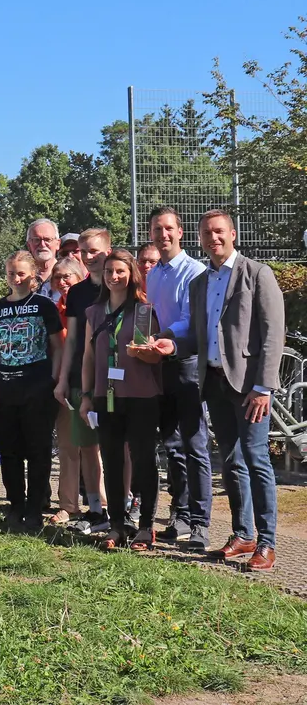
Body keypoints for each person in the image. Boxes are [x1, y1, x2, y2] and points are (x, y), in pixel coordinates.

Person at [153, 209, 284, 571]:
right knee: (230, 461)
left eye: (220, 232)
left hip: (250, 387)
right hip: (213, 383)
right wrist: (173, 347)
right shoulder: (200, 283)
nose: (214, 238)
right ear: (199, 239)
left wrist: (263, 387)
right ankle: (243, 535)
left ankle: (267, 542)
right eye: (207, 233)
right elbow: (197, 337)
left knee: (256, 459)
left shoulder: (257, 274)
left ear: (233, 234)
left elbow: (273, 335)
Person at [79, 250, 164, 551]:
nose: (114, 277)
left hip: (140, 395)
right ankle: (117, 525)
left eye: (120, 271)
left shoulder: (142, 310)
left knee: (142, 461)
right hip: (108, 396)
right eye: (109, 272)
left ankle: (145, 526)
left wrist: (143, 352)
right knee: (112, 460)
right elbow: (89, 357)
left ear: (131, 274)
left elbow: (154, 356)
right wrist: (87, 395)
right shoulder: (94, 312)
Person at [144, 206, 211, 549]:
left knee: (195, 445)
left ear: (180, 232)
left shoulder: (194, 272)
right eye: (157, 229)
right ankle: (180, 513)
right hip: (159, 365)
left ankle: (200, 523)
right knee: (171, 445)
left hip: (186, 364)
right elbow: (148, 316)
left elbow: (190, 319)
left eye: (168, 228)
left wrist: (164, 336)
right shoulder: (153, 274)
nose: (163, 234)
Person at [0, 251, 63, 530]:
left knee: (38, 450)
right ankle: (15, 506)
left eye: (21, 273)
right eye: (11, 273)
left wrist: (54, 378)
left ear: (33, 275)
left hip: (38, 387)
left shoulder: (44, 305)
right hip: (5, 387)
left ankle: (34, 509)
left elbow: (58, 344)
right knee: (9, 450)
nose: (16, 278)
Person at [53, 229, 111, 535]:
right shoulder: (76, 293)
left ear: (108, 249)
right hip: (80, 381)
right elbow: (72, 340)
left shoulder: (124, 283)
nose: (90, 257)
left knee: (118, 447)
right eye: (85, 252)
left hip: (117, 382)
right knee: (87, 447)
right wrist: (63, 380)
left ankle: (121, 506)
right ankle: (95, 508)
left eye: (95, 251)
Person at [47, 255, 88, 525]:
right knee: (67, 445)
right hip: (62, 383)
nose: (62, 282)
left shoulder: (88, 306)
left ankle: (103, 503)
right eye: (57, 278)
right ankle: (68, 505)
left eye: (67, 277)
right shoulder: (52, 310)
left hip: (89, 382)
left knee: (94, 449)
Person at [26, 218, 63, 303]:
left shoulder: (67, 275)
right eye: (36, 240)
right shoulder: (22, 278)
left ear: (58, 244)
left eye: (47, 240)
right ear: (29, 245)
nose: (42, 245)